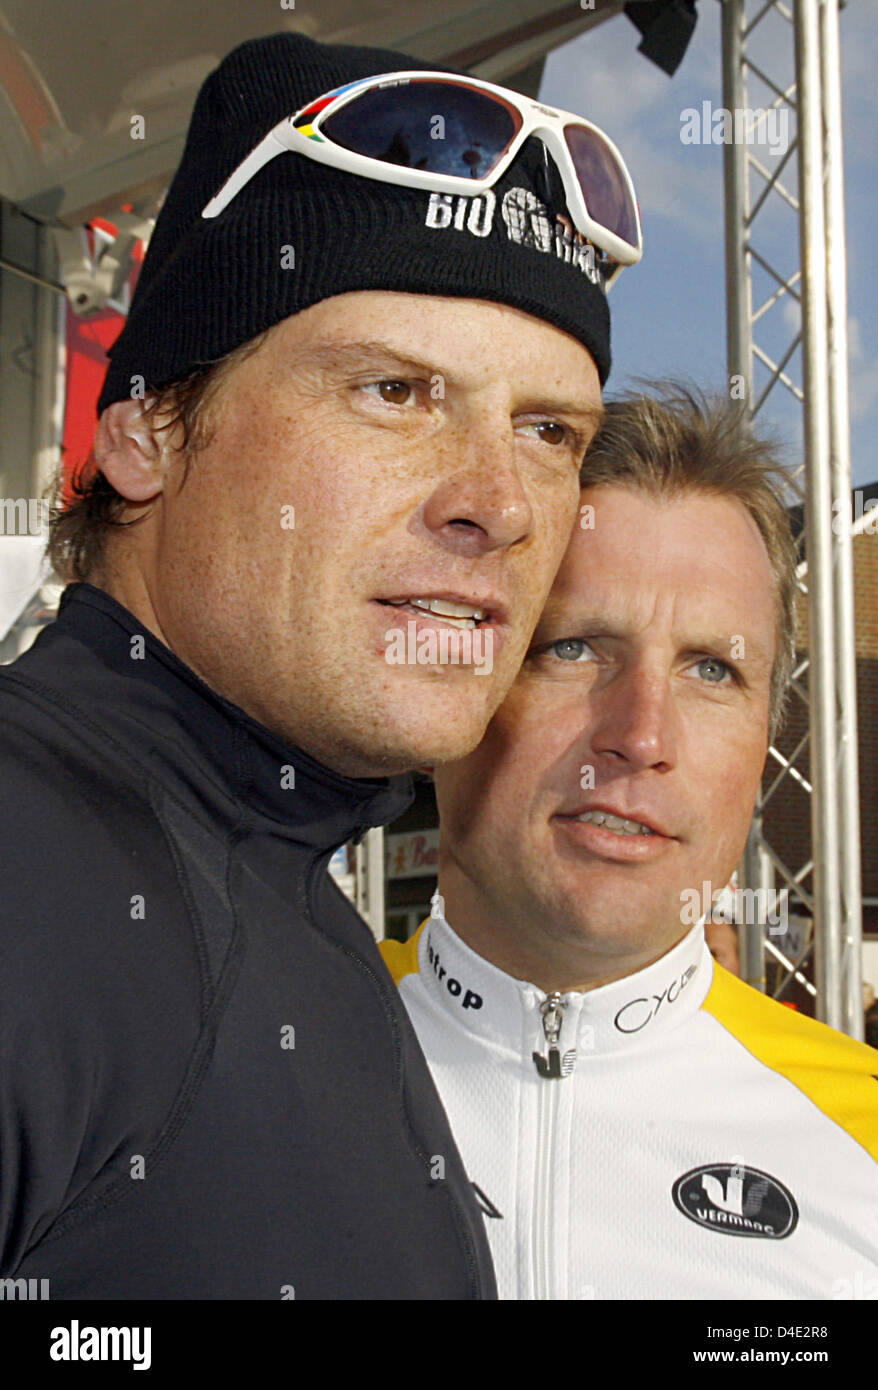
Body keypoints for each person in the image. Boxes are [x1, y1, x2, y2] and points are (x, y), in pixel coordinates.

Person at [0, 30, 642, 1298]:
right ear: (143, 434)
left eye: (548, 429)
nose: (498, 502)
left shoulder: (276, 892)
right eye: (395, 392)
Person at [381, 386, 878, 1300]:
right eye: (572, 648)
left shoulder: (865, 1134)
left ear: (769, 734)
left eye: (713, 669)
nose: (643, 736)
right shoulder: (229, 1062)